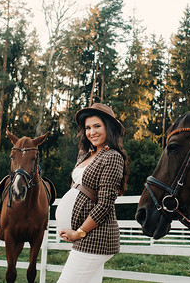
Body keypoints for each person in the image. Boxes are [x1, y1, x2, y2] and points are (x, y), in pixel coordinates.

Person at [55, 103, 129, 283]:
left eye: (97, 126)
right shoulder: (85, 154)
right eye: (88, 127)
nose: (91, 132)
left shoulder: (112, 157)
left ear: (108, 128)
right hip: (86, 237)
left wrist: (79, 232)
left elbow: (104, 204)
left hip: (95, 238)